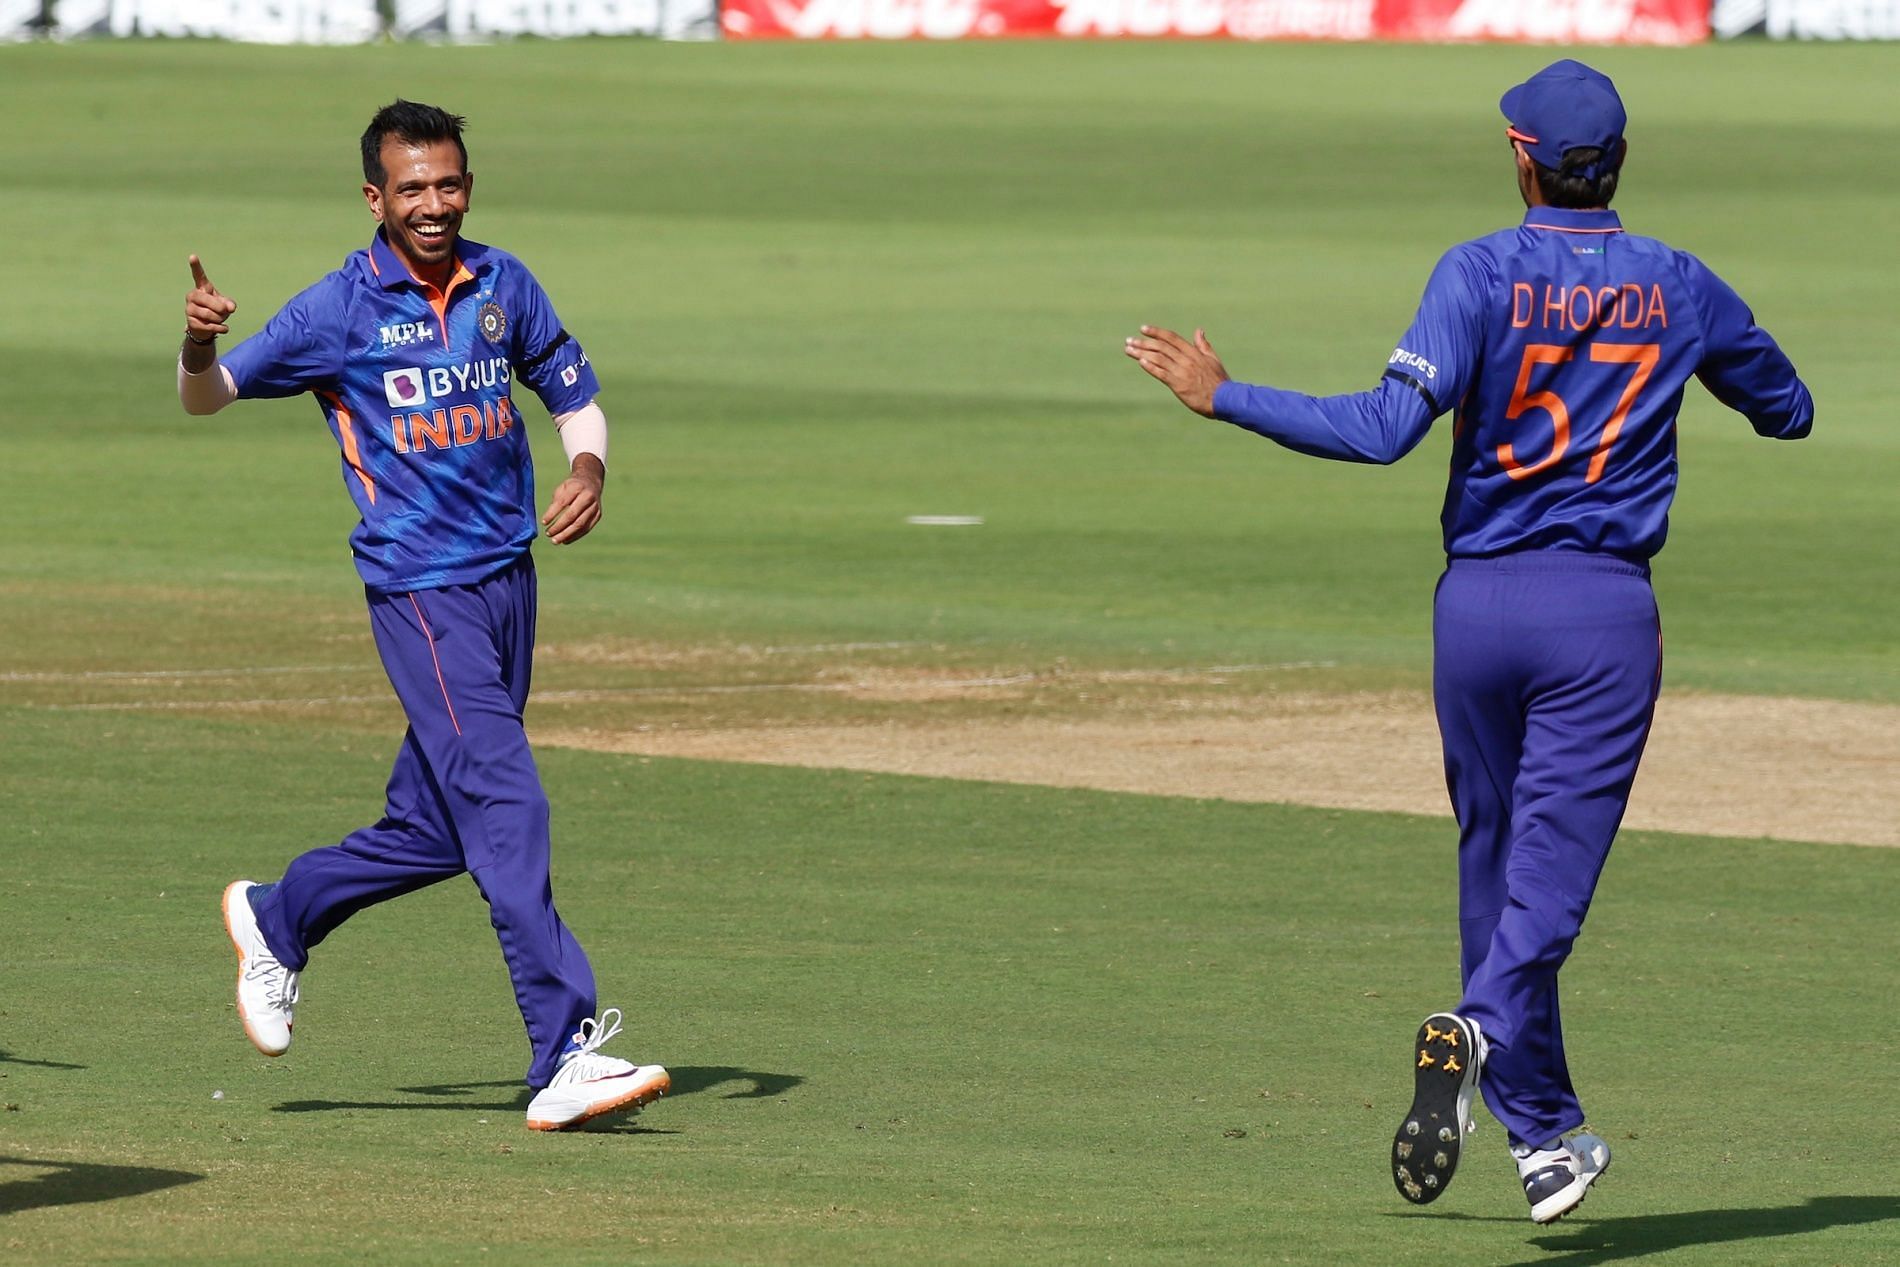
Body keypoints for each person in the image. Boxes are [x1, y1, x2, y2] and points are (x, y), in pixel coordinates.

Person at [1125, 60, 1811, 1223]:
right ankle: (1480, 1027)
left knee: (1493, 872)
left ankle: (1544, 1138)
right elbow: (1786, 407)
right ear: (1622, 161)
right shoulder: (1679, 284)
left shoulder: (1478, 270)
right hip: (1599, 613)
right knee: (1546, 882)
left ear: (1517, 152)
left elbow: (1384, 428)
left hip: (1477, 608)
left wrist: (1225, 396)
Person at [180, 100, 668, 1132]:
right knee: (508, 802)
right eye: (412, 188)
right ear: (375, 197)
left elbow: (571, 388)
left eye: (448, 183)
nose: (433, 203)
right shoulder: (336, 310)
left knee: (439, 828)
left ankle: (281, 915)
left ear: (466, 185)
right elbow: (209, 395)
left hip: (507, 583)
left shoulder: (505, 282)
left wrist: (589, 463)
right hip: (420, 590)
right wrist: (194, 345)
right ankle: (563, 1049)